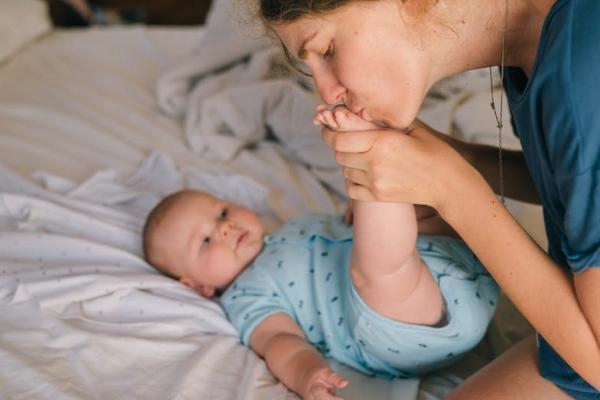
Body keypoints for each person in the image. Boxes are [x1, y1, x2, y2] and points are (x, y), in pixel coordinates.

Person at [256, 0, 600, 398]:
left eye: (328, 50)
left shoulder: (583, 75)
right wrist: (454, 158)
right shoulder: (535, 39)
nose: (327, 91)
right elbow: (575, 181)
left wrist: (451, 188)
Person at [142, 107, 498, 400]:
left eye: (222, 213)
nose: (224, 228)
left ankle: (410, 188)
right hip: (404, 325)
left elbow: (347, 234)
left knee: (417, 207)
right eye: (205, 242)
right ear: (198, 286)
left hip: (455, 263)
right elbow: (282, 343)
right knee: (381, 265)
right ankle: (368, 158)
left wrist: (354, 218)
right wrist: (308, 374)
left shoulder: (290, 228)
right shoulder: (245, 296)